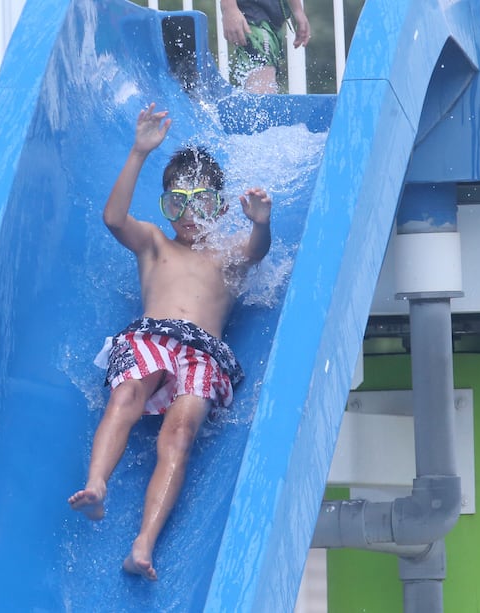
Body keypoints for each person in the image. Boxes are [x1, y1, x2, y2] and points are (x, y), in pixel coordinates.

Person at [68, 103, 272, 581]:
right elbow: (114, 218)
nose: (187, 214)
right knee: (129, 392)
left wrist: (261, 221)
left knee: (180, 433)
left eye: (200, 202)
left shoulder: (226, 254)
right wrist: (139, 152)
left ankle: (143, 544)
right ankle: (97, 483)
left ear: (221, 208)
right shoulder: (156, 243)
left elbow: (257, 251)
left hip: (204, 353)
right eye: (175, 202)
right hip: (153, 337)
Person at [220, 0, 311, 93]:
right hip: (251, 12)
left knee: (267, 76)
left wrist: (297, 10)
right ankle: (258, 104)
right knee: (264, 78)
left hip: (273, 17)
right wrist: (229, 7)